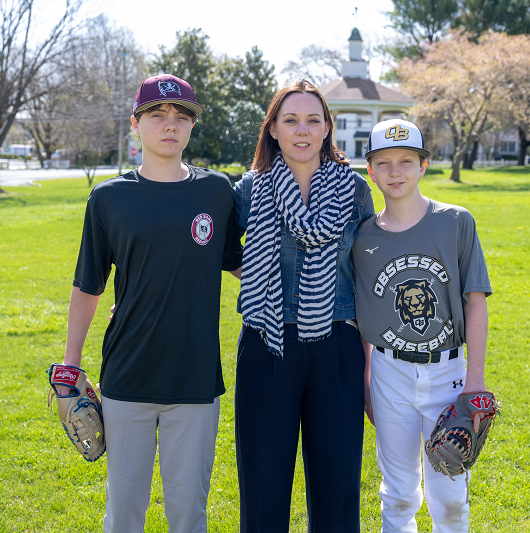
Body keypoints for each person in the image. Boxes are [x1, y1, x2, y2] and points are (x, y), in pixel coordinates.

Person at [58, 74, 242, 533]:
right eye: (157, 115)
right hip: (127, 378)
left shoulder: (216, 192)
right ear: (136, 125)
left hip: (195, 379)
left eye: (181, 117)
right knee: (124, 513)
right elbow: (88, 286)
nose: (170, 125)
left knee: (188, 514)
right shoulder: (108, 199)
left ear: (192, 127)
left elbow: (242, 265)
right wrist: (70, 365)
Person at [233, 79, 375, 533]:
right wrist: (260, 277)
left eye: (313, 120)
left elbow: (370, 269)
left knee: (337, 490)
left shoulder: (353, 190)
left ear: (327, 128)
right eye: (290, 119)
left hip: (337, 344)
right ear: (272, 129)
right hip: (265, 342)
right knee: (263, 486)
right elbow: (216, 251)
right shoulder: (248, 191)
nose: (302, 130)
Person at [352, 119, 492, 533]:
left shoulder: (455, 221)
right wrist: (366, 382)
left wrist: (476, 381)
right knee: (397, 492)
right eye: (385, 163)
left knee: (449, 497)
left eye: (406, 161)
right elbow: (362, 321)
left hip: (448, 369)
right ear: (370, 170)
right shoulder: (362, 238)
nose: (396, 172)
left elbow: (476, 303)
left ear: (423, 165)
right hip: (389, 371)